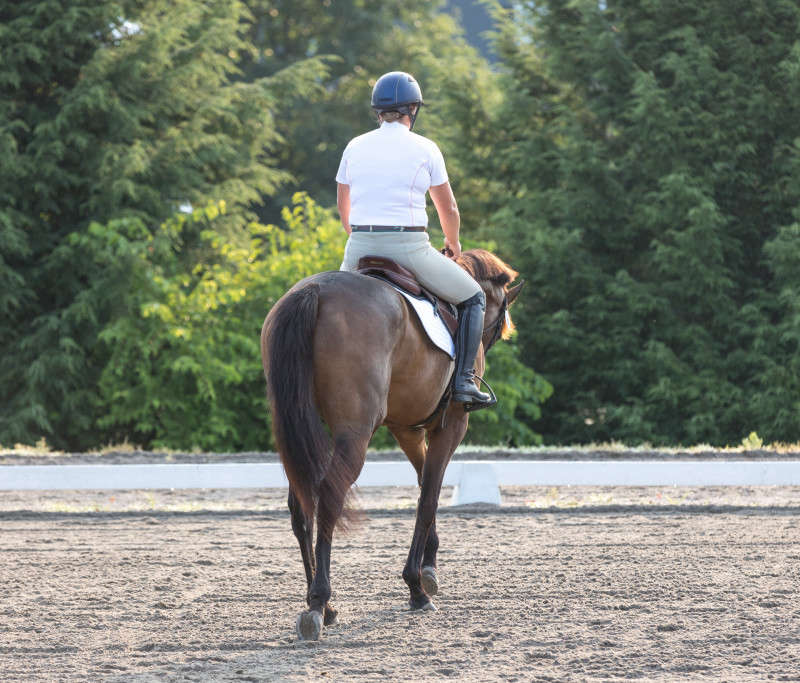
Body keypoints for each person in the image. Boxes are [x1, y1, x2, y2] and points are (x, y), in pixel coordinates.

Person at [336, 70, 492, 409]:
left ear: (378, 111)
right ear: (413, 110)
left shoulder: (354, 146)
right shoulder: (426, 148)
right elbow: (447, 207)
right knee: (474, 297)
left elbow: (342, 206)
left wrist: (361, 239)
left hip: (359, 246)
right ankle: (464, 382)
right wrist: (453, 244)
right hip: (409, 248)